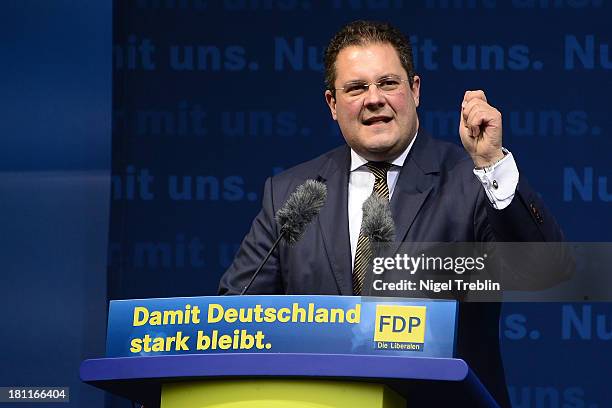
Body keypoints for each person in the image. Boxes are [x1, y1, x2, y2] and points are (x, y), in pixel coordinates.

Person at [219, 20, 564, 407]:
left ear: (414, 91)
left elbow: (544, 273)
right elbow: (233, 319)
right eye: (356, 88)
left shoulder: (472, 180)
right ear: (332, 104)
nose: (374, 99)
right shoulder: (289, 193)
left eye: (387, 83)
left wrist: (491, 164)